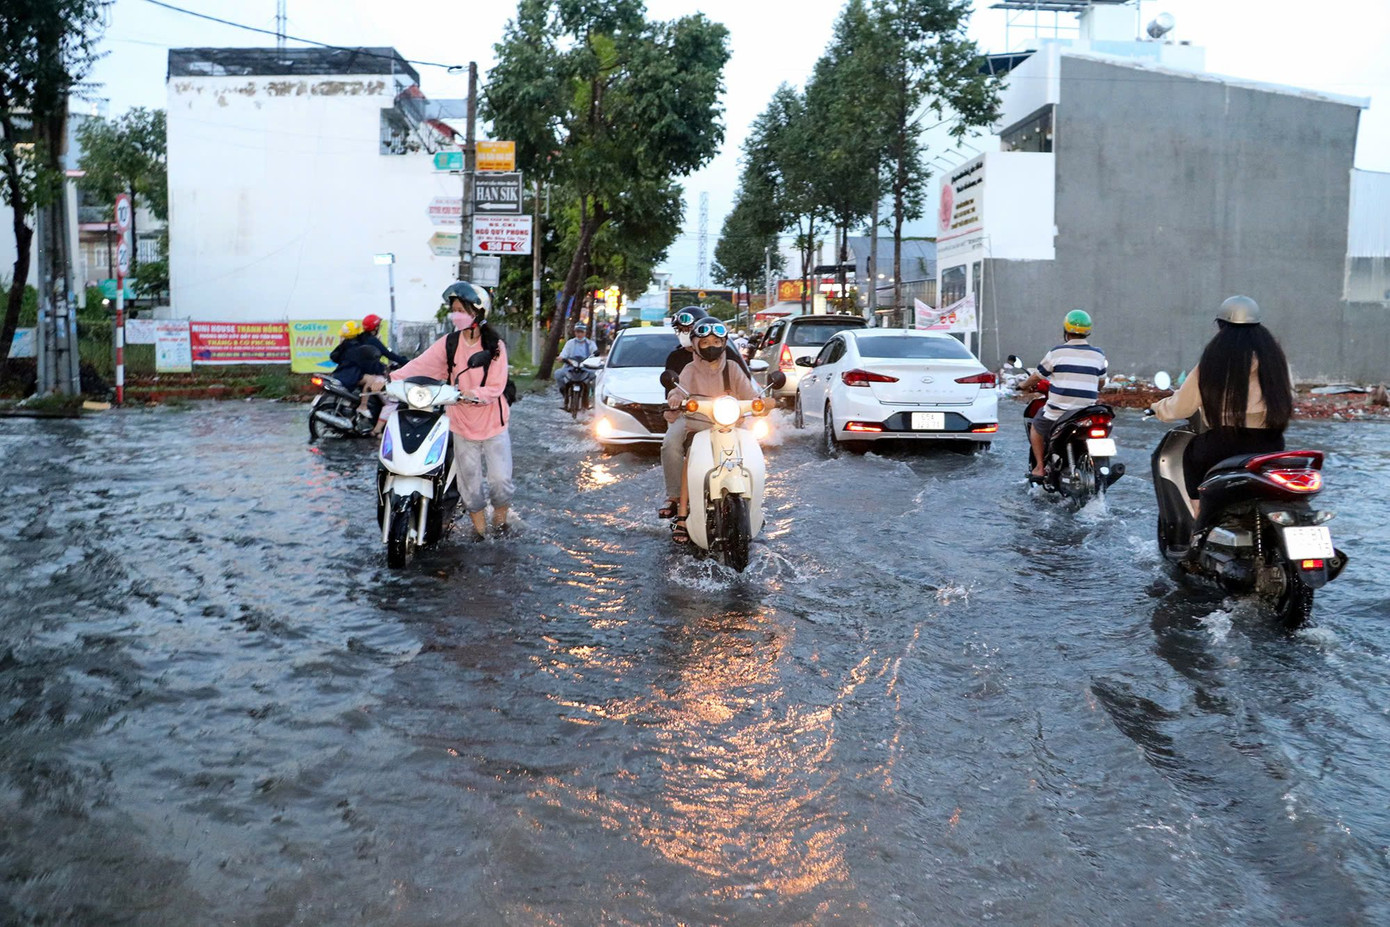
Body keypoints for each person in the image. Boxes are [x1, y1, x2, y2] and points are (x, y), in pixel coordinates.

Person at [388, 281, 514, 540]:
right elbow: (419, 365)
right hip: (461, 423)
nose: (457, 315)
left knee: (500, 483)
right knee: (470, 487)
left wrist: (471, 394)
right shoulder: (449, 343)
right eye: (454, 309)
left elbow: (496, 386)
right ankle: (480, 534)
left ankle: (501, 526)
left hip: (492, 423)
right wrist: (390, 379)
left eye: (462, 310)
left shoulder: (495, 347)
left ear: (478, 312)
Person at [1149, 295, 1293, 504]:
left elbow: (1181, 407)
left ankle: (1199, 525)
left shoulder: (1215, 357)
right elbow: (1289, 394)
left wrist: (1158, 408)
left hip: (1224, 443)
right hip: (1270, 443)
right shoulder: (1275, 358)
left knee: (1192, 459)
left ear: (1221, 324)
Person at [667, 318, 760, 543]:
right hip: (699, 425)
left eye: (717, 341)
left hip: (730, 426)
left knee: (752, 456)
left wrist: (761, 402)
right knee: (688, 457)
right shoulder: (689, 369)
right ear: (696, 344)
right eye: (705, 341)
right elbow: (678, 391)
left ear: (724, 342)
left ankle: (756, 508)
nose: (711, 345)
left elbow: (750, 394)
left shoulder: (733, 367)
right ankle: (681, 515)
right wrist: (674, 399)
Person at [1018, 309, 1108, 480]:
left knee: (1036, 427)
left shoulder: (1056, 353)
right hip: (1087, 412)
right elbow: (1101, 382)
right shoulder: (1098, 354)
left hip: (1059, 413)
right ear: (1088, 332)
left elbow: (1037, 376)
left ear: (1066, 331)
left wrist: (1023, 385)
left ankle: (1039, 467)